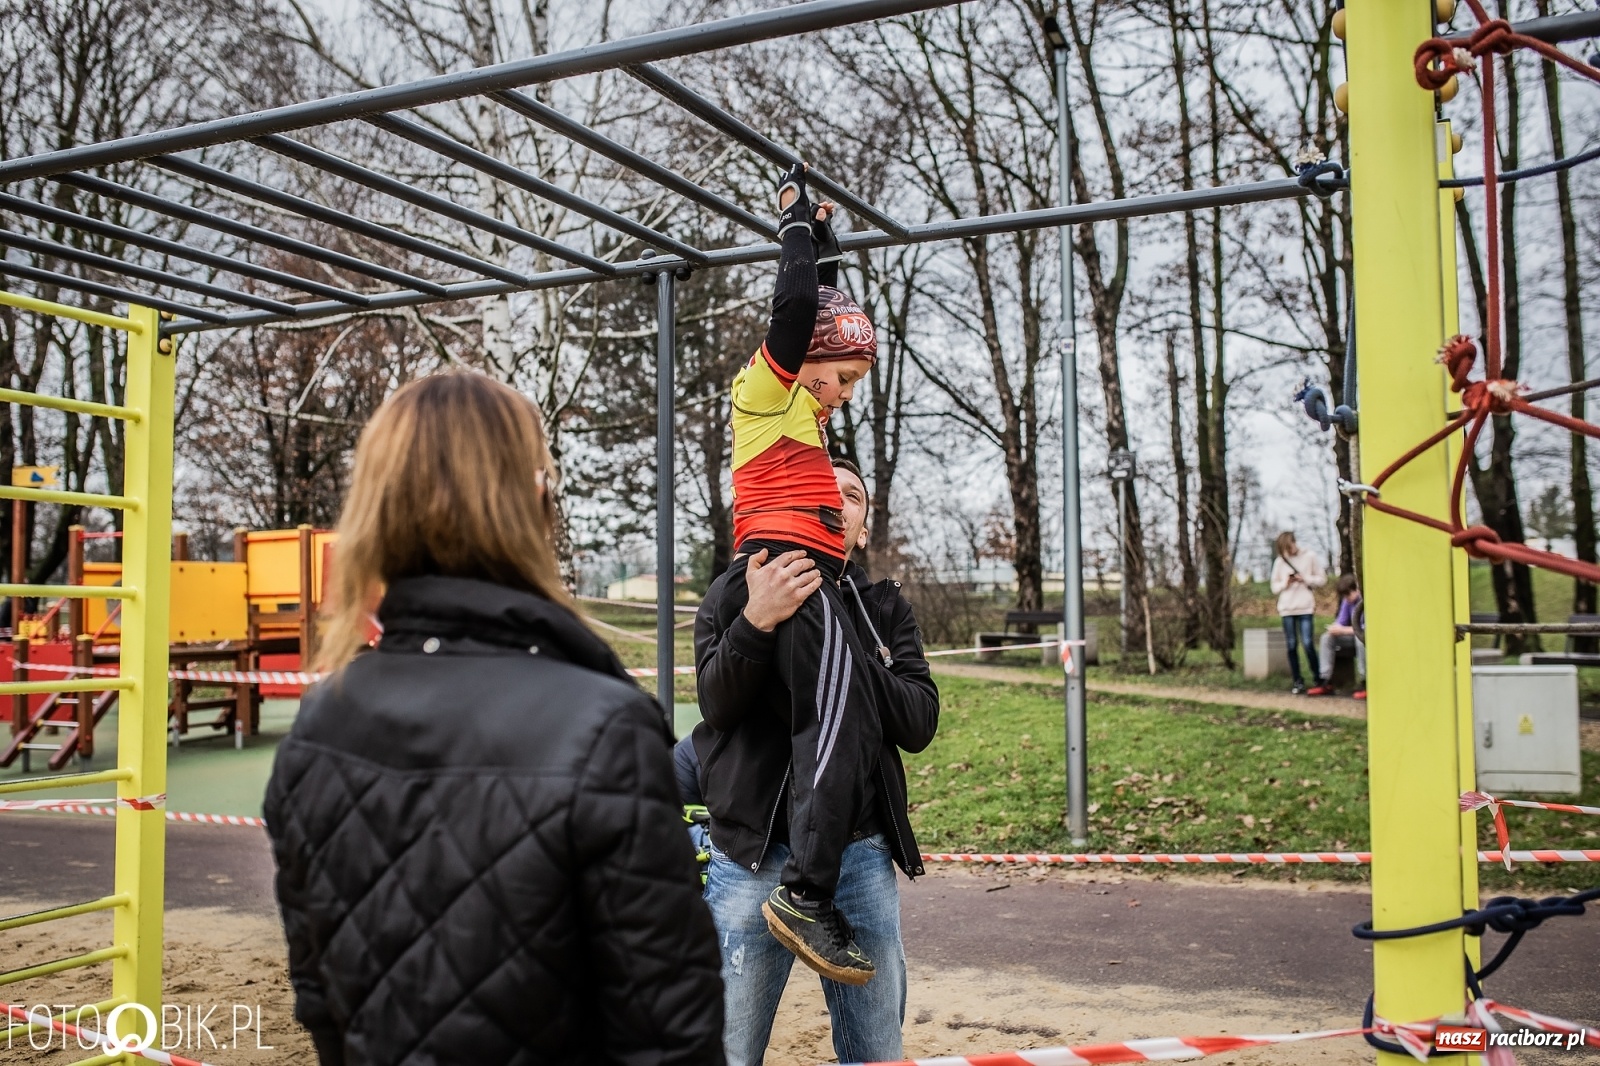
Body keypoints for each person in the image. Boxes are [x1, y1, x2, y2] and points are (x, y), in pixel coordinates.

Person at [263, 372, 725, 1066]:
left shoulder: (319, 720)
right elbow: (671, 1038)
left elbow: (320, 999)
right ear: (532, 500)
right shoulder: (605, 727)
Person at [686, 458, 938, 1066]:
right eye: (827, 490)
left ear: (861, 526)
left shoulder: (883, 609)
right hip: (754, 853)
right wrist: (758, 621)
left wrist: (846, 659)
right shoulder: (736, 588)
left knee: (877, 1049)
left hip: (861, 852)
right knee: (729, 1045)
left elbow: (920, 720)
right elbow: (717, 705)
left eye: (854, 495)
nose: (840, 501)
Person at [704, 160, 884, 985]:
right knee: (836, 724)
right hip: (788, 568)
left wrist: (829, 239)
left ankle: (809, 888)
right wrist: (794, 229)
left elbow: (826, 310)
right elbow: (799, 309)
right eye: (840, 378)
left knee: (829, 723)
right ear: (803, 359)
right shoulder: (766, 391)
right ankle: (807, 893)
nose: (843, 395)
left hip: (796, 570)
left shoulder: (800, 411)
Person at [1269, 530, 1327, 695]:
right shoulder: (1281, 562)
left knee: (1308, 643)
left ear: (1294, 543)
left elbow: (1322, 579)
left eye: (1290, 547)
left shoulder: (1309, 556)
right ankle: (1297, 680)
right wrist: (1285, 583)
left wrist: (1305, 578)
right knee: (1292, 645)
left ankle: (1318, 678)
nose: (1289, 552)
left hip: (1305, 606)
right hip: (1287, 608)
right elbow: (1274, 587)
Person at [1308, 574, 1365, 699]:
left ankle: (1365, 681)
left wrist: (1343, 630)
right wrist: (1334, 628)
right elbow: (1341, 621)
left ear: (1356, 589)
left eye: (1348, 594)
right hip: (1351, 637)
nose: (1347, 598)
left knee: (1359, 639)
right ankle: (1325, 680)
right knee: (1326, 638)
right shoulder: (1347, 602)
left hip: (1364, 640)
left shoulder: (1364, 601)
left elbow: (1365, 629)